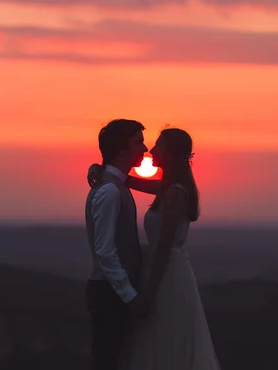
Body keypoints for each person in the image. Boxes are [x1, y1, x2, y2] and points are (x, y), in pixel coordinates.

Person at [87, 127, 220, 370]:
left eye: (157, 145)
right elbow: (125, 180)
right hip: (159, 271)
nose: (150, 149)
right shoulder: (169, 187)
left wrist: (146, 294)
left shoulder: (175, 194)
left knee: (164, 338)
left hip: (166, 274)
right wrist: (99, 169)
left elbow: (162, 250)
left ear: (168, 153)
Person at [84, 119, 149, 370]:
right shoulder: (110, 191)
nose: (144, 149)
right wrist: (130, 296)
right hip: (109, 294)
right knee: (107, 361)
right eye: (138, 142)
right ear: (121, 148)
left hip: (113, 293)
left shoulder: (114, 184)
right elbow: (105, 252)